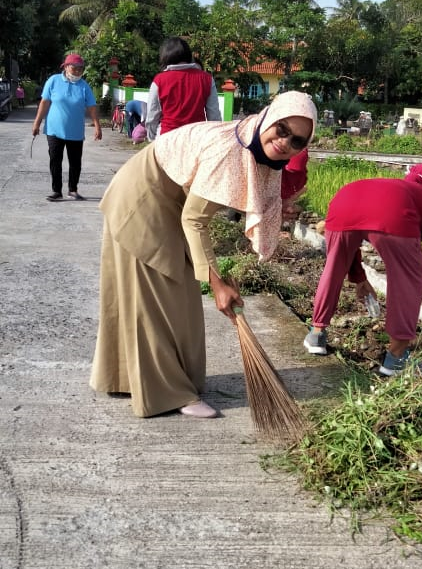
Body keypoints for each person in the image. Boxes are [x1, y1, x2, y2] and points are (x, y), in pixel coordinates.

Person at [89, 91, 317, 419]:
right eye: (282, 129)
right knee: (157, 299)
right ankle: (170, 393)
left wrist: (221, 276)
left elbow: (249, 208)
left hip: (170, 202)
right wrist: (217, 282)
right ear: (269, 118)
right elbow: (194, 220)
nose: (285, 143)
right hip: (145, 199)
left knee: (178, 298)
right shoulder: (232, 149)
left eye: (297, 141)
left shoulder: (260, 150)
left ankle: (129, 378)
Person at [303, 164, 422, 376]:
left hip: (342, 204)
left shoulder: (389, 186)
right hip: (393, 217)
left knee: (333, 269)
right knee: (408, 279)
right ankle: (396, 359)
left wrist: (359, 278)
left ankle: (316, 335)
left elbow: (355, 233)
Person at [32, 53, 102, 201]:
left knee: (75, 162)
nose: (77, 71)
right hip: (54, 130)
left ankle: (73, 189)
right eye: (74, 68)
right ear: (66, 67)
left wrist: (97, 126)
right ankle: (57, 191)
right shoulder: (54, 80)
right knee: (55, 160)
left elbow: (92, 107)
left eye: (80, 69)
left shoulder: (84, 86)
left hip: (75, 131)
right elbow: (44, 103)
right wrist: (37, 123)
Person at [145, 36, 221, 139]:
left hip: (167, 140)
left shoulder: (159, 80)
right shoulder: (206, 79)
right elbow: (214, 117)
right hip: (196, 140)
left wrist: (152, 139)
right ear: (188, 55)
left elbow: (151, 116)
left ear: (165, 56)